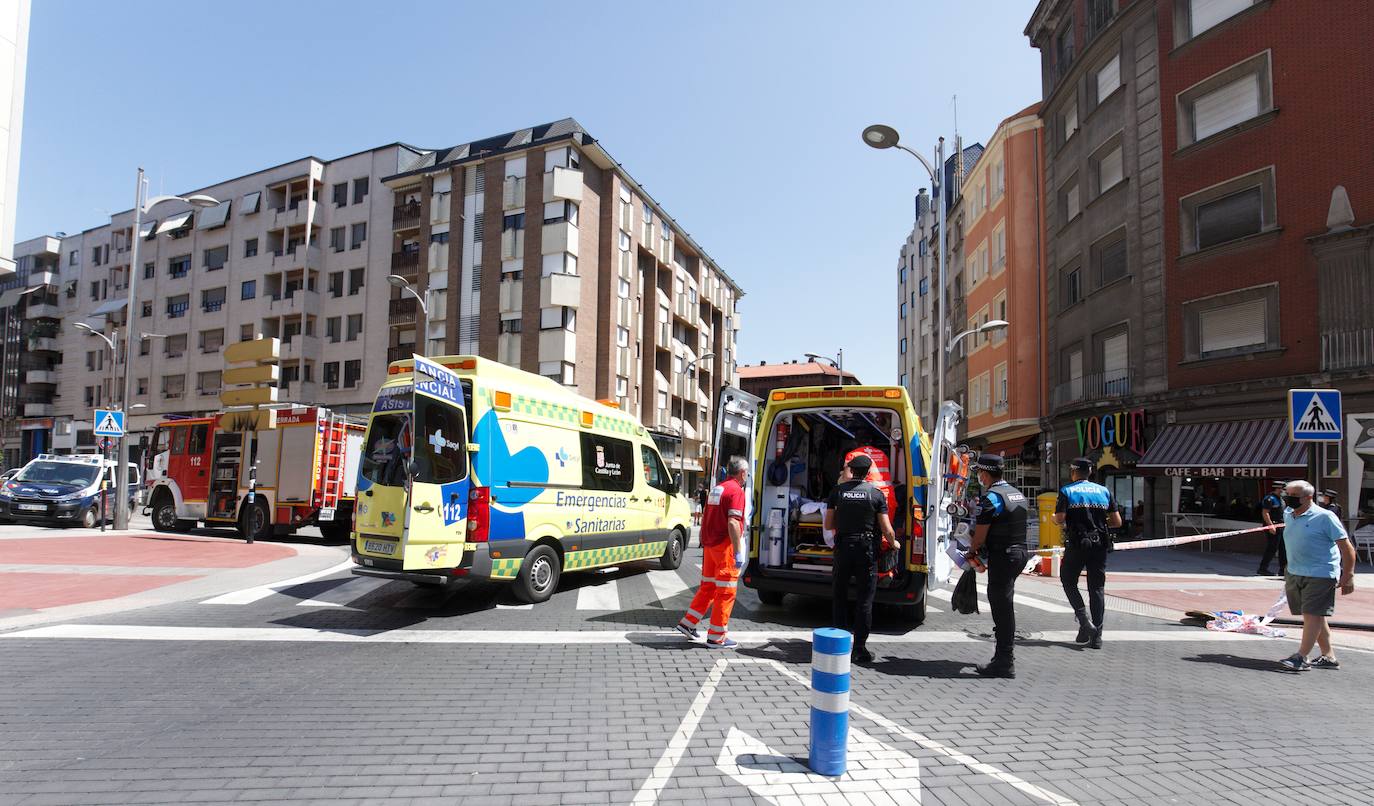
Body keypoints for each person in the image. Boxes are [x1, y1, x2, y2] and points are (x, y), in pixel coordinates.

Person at [1278, 480, 1356, 671]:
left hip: (1321, 572)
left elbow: (1346, 547)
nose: (1287, 499)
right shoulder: (1288, 514)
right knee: (1316, 615)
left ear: (1308, 498)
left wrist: (1349, 575)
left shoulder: (1325, 517)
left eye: (1292, 496)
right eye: (1286, 494)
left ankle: (1302, 657)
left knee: (1312, 614)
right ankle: (1329, 657)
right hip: (1295, 571)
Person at [824, 453, 895, 664]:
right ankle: (859, 649)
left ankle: (838, 644)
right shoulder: (876, 494)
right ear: (869, 472)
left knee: (839, 595)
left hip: (843, 548)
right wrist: (894, 543)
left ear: (851, 471)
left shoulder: (837, 492)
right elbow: (886, 529)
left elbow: (828, 524)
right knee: (864, 600)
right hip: (866, 551)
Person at [966, 453, 1030, 678]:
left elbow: (980, 536)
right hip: (1020, 553)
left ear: (985, 473)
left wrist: (972, 551)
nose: (980, 478)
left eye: (980, 473)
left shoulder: (991, 498)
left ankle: (1004, 661)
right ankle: (1002, 657)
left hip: (1004, 556)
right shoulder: (1016, 493)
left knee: (1001, 608)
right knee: (1005, 603)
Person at [677, 457, 750, 649]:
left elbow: (707, 515)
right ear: (742, 473)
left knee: (707, 587)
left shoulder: (717, 489)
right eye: (747, 473)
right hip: (724, 546)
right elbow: (733, 522)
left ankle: (688, 623)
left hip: (709, 545)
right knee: (725, 591)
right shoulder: (737, 491)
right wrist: (738, 551)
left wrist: (703, 539)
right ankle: (717, 637)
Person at [1053, 458, 1123, 650]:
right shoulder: (1104, 491)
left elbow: (1059, 519)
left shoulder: (1067, 491)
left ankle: (1084, 621)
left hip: (1077, 544)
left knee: (1068, 580)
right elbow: (1117, 521)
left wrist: (1055, 518)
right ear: (1090, 472)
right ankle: (1097, 636)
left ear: (1074, 472)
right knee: (1097, 589)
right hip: (1100, 544)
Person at [1259, 481, 1287, 576]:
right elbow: (1265, 513)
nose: (1284, 491)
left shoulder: (1281, 499)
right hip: (1273, 526)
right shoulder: (1270, 499)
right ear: (1278, 488)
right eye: (1283, 489)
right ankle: (1263, 568)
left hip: (1281, 526)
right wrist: (1270, 525)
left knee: (1283, 548)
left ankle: (1283, 569)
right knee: (1272, 548)